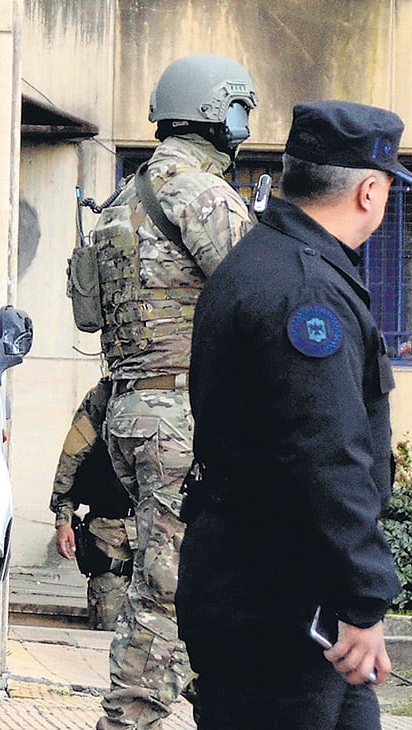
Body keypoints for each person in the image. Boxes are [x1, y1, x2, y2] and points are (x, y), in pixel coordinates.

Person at [176, 100, 412, 729]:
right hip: (273, 600)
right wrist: (365, 600)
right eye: (388, 186)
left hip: (281, 588)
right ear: (369, 191)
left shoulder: (266, 259)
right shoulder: (306, 290)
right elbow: (327, 453)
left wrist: (353, 600)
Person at [90, 53, 257, 729]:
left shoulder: (119, 200)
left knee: (177, 573)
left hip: (131, 404)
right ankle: (128, 718)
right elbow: (254, 294)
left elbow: (85, 313)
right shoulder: (200, 192)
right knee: (167, 587)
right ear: (219, 112)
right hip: (180, 411)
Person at [50, 377, 135, 631]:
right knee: (107, 630)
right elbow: (72, 457)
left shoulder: (189, 386)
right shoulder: (106, 395)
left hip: (163, 533)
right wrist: (63, 517)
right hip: (111, 531)